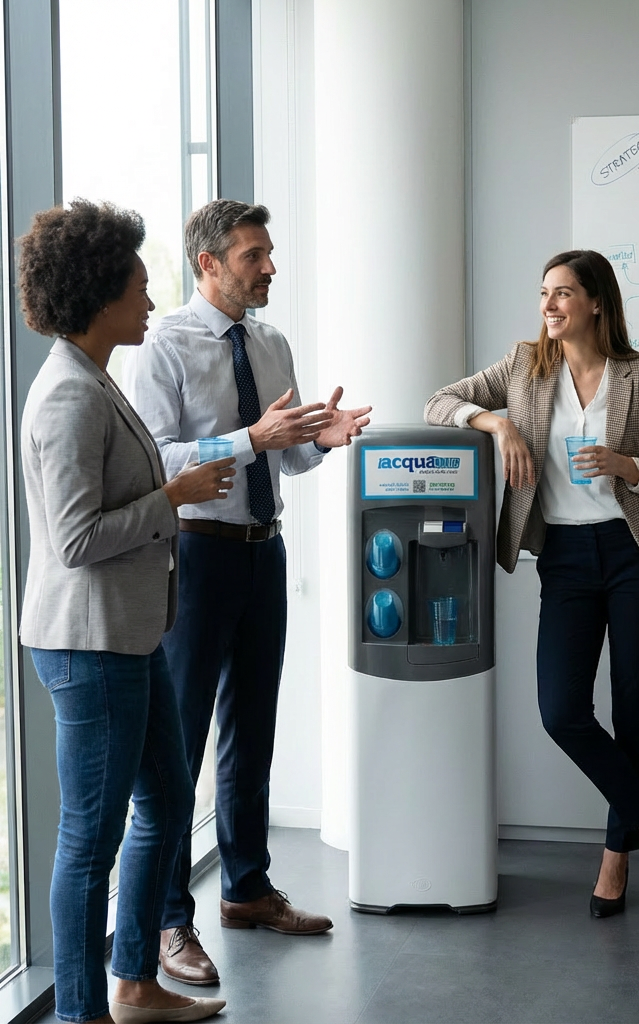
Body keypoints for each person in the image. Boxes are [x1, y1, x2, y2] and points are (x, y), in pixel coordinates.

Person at [124, 199, 371, 985]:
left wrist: (319, 440)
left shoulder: (271, 343)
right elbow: (156, 458)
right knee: (180, 743)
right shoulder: (163, 345)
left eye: (268, 252)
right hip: (194, 555)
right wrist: (248, 439)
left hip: (265, 550)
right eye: (252, 255)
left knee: (252, 731)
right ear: (208, 263)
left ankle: (247, 890)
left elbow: (283, 459)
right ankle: (169, 919)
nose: (269, 267)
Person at [425, 249, 639, 917]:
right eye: (544, 292)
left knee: (634, 710)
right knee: (562, 711)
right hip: (567, 558)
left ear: (596, 302)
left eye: (563, 293)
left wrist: (625, 465)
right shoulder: (524, 367)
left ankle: (614, 859)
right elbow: (438, 402)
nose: (548, 304)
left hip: (636, 555)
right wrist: (498, 423)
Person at [19, 200, 231, 1023]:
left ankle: (135, 983)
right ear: (100, 294)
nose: (150, 301)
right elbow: (75, 539)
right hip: (91, 645)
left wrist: (167, 495)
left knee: (170, 803)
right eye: (140, 288)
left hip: (129, 636)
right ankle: (82, 1012)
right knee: (88, 843)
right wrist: (171, 498)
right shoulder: (69, 396)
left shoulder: (96, 378)